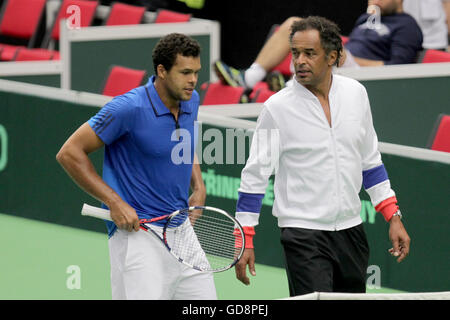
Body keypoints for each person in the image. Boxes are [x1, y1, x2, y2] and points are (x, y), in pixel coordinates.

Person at [233, 16, 411, 297]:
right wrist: (245, 237)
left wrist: (393, 215)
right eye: (295, 53)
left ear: (333, 57)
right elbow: (254, 176)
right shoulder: (276, 108)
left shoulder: (356, 94)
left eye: (309, 53)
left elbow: (370, 161)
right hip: (303, 234)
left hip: (352, 231)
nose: (299, 61)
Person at [56, 33, 217, 300]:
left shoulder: (192, 100)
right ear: (162, 71)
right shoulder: (128, 108)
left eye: (196, 72)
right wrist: (114, 202)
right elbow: (69, 153)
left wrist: (198, 186)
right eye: (185, 72)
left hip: (181, 231)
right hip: (138, 235)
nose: (192, 80)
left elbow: (183, 143)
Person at [215, 0, 423, 90]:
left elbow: (397, 70)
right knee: (295, 26)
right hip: (343, 61)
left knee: (319, 44)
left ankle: (289, 88)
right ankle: (249, 79)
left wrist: (343, 54)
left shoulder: (407, 26)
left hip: (362, 75)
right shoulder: (365, 18)